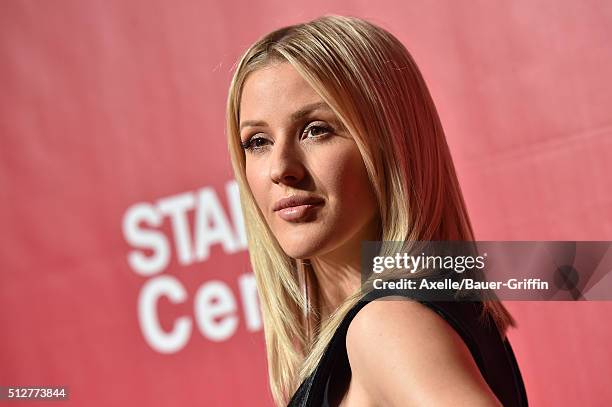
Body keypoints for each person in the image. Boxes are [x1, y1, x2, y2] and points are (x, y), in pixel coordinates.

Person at [226, 15, 528, 407]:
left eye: (316, 129)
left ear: (391, 142)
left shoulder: (387, 325)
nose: (281, 168)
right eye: (258, 141)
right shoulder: (409, 319)